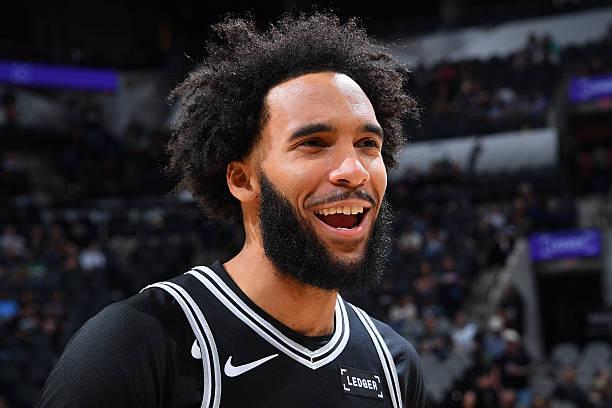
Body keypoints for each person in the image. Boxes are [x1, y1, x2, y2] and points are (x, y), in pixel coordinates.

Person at [37, 12, 426, 408]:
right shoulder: (136, 343)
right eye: (313, 143)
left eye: (367, 144)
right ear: (242, 179)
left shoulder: (394, 367)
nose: (354, 171)